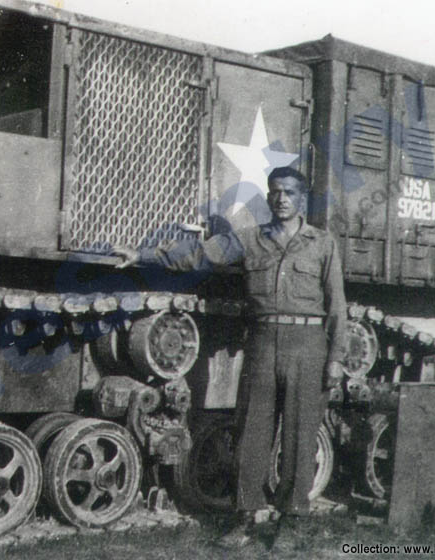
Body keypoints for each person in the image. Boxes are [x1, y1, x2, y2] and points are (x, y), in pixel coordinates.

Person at [115, 166, 347, 547]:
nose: (281, 198)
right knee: (251, 432)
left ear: (301, 198)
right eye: (275, 191)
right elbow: (198, 255)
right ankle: (245, 518)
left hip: (308, 344)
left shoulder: (322, 244)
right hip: (262, 341)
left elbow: (337, 304)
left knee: (299, 437)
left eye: (289, 192)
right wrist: (142, 256)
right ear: (269, 196)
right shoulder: (251, 240)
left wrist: (335, 357)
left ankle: (290, 521)